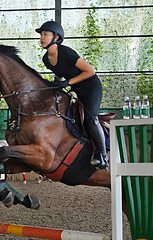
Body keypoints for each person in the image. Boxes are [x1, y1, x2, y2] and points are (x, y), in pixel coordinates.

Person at [35, 20, 108, 170]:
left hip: (90, 86)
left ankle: (102, 156)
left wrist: (68, 82)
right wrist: (55, 83)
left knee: (90, 117)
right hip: (75, 88)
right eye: (41, 34)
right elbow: (59, 75)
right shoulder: (45, 59)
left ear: (56, 38)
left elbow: (90, 71)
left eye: (45, 34)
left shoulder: (66, 53)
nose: (42, 37)